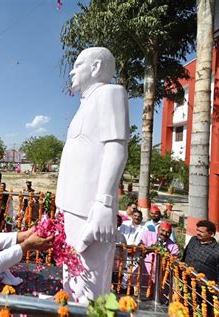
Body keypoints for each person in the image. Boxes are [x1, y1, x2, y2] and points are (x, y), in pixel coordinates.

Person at [56, 47, 129, 302]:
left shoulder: (109, 93)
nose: (72, 71)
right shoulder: (85, 104)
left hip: (90, 206)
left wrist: (104, 202)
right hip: (72, 205)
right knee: (71, 269)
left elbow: (116, 148)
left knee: (90, 278)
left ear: (96, 67)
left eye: (77, 65)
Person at [182, 220, 219, 289]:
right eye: (197, 230)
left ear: (211, 234)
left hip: (204, 292)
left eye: (201, 232)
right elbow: (184, 258)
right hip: (185, 283)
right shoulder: (193, 240)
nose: (197, 233)